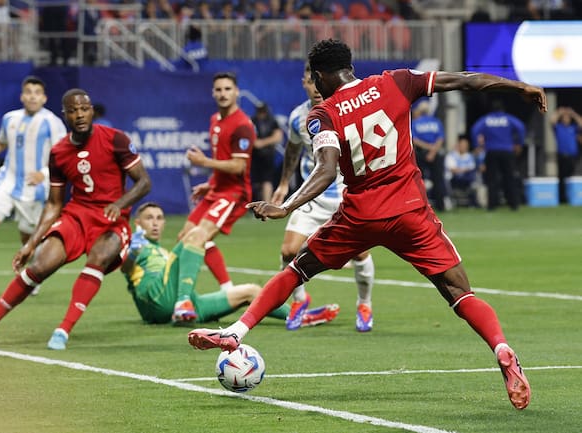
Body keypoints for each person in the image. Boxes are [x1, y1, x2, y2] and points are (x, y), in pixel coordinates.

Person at [188, 38, 547, 411]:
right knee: (460, 292)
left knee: (296, 270)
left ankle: (235, 331)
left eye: (315, 77)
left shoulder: (322, 114)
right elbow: (465, 80)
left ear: (323, 75)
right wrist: (519, 86)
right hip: (410, 212)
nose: (315, 84)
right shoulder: (397, 81)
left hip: (359, 216)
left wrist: (287, 206)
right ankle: (501, 347)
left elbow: (326, 169)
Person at [0, 88, 151, 350]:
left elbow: (143, 182)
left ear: (92, 111)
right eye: (73, 111)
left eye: (84, 109)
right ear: (65, 116)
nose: (80, 115)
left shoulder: (115, 139)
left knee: (98, 258)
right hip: (77, 216)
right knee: (40, 266)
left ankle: (63, 330)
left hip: (111, 219)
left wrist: (120, 204)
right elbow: (53, 204)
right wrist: (30, 244)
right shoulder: (59, 152)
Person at [271, 62, 375, 332]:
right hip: (312, 196)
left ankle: (364, 304)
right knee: (288, 251)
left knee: (360, 253)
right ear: (305, 84)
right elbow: (292, 151)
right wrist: (284, 184)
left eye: (318, 80)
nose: (315, 87)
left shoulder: (346, 109)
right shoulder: (298, 118)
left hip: (346, 195)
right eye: (309, 81)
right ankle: (300, 301)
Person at [122, 202, 338, 326]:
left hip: (187, 307)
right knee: (197, 232)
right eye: (149, 218)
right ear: (138, 223)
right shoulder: (135, 245)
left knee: (251, 291)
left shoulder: (162, 252)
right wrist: (130, 251)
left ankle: (300, 316)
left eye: (159, 218)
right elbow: (123, 266)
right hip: (158, 301)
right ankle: (183, 301)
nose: (155, 222)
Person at [0, 76, 66, 299]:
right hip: (6, 182)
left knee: (28, 238)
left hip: (34, 190)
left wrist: (44, 173)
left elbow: (63, 154)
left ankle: (32, 278)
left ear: (44, 97)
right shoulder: (10, 119)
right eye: (28, 92)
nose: (32, 96)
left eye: (37, 92)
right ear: (22, 96)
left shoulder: (53, 122)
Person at [177, 72, 256, 309]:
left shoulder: (242, 126)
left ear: (236, 92)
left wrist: (203, 164)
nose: (223, 94)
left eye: (227, 89)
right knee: (185, 237)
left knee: (198, 237)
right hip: (217, 189)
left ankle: (183, 302)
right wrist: (210, 183)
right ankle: (228, 291)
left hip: (234, 193)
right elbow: (223, 161)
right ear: (213, 93)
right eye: (218, 90)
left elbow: (239, 165)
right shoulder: (215, 120)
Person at [471, 100, 526, 211]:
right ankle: (514, 204)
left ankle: (492, 204)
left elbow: (475, 129)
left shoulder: (486, 119)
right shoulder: (508, 118)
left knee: (492, 179)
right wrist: (519, 143)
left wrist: (476, 145)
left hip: (491, 151)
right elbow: (521, 127)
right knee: (509, 177)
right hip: (507, 151)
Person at [411, 99, 447, 211]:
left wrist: (427, 148)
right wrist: (433, 150)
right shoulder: (436, 122)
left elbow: (414, 139)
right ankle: (440, 205)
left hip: (421, 153)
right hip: (435, 153)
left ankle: (420, 205)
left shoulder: (415, 123)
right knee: (438, 179)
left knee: (419, 180)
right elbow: (441, 138)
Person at [251, 102, 283, 202]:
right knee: (256, 182)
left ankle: (266, 204)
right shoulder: (252, 121)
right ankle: (256, 204)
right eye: (259, 111)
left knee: (267, 181)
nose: (261, 114)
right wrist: (254, 142)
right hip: (255, 155)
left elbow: (278, 137)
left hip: (267, 155)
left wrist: (262, 143)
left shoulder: (272, 121)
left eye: (263, 111)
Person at [550, 106, 582, 204]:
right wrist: (559, 112)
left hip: (573, 156)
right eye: (564, 117)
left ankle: (573, 197)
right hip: (562, 156)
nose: (566, 119)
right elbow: (552, 121)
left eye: (567, 117)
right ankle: (562, 199)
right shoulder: (559, 127)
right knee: (562, 178)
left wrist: (573, 114)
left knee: (572, 177)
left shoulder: (573, 128)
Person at [445, 134, 479, 208]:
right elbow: (452, 169)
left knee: (474, 177)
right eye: (462, 145)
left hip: (466, 178)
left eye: (465, 145)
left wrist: (460, 170)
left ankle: (474, 202)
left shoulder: (469, 156)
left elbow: (472, 168)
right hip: (454, 179)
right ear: (458, 145)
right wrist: (463, 169)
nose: (464, 147)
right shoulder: (451, 156)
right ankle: (449, 200)